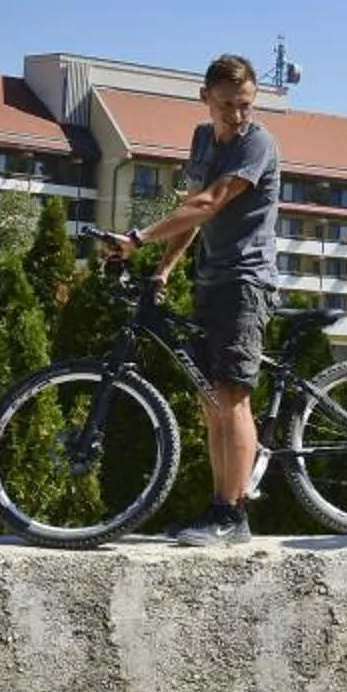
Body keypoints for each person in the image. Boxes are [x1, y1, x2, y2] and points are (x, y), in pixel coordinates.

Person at [104, 53, 283, 547]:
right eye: (227, 105)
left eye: (245, 104)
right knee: (211, 402)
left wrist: (136, 239)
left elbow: (211, 201)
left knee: (232, 396)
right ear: (204, 98)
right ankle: (218, 507)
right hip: (211, 278)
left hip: (246, 281)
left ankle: (234, 515)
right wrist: (163, 270)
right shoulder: (204, 139)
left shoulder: (258, 143)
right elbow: (192, 213)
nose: (237, 116)